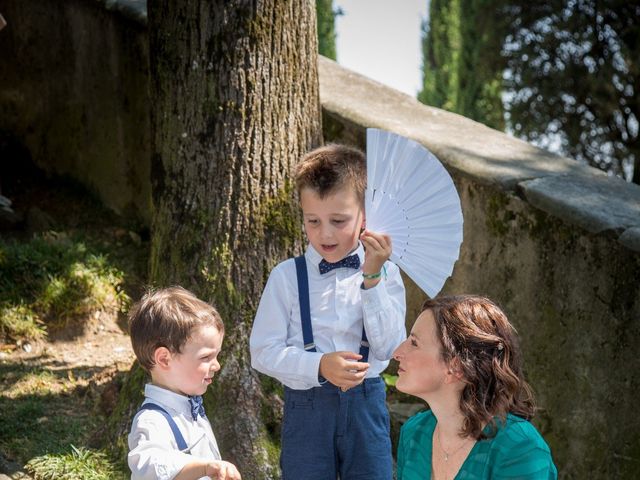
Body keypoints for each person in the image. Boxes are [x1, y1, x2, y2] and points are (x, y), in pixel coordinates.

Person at [250, 144, 406, 480]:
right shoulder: (286, 277)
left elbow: (389, 348)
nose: (325, 233)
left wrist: (372, 279)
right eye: (313, 221)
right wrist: (318, 365)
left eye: (338, 220)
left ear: (365, 216)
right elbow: (262, 352)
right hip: (306, 408)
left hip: (367, 405)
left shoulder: (387, 274)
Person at [393, 295, 557, 480]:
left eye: (414, 343)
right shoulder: (414, 432)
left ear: (456, 367)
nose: (396, 353)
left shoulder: (519, 447)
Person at [127, 286, 241, 480]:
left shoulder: (189, 406)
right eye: (206, 357)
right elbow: (150, 465)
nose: (217, 365)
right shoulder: (153, 420)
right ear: (164, 359)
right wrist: (206, 467)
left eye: (217, 355)